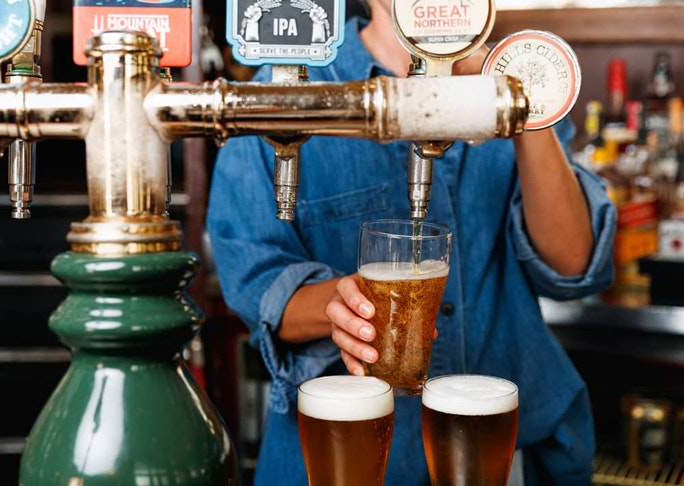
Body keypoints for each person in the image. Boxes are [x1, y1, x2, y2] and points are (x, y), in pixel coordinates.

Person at [206, 0, 616, 484]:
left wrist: (513, 92)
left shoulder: (508, 75)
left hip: (506, 453)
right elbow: (256, 283)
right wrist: (339, 304)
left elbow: (572, 264)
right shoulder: (283, 94)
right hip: (345, 456)